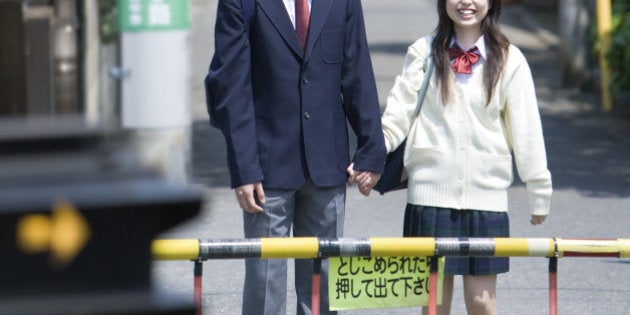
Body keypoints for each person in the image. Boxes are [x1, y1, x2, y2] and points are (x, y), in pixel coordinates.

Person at [363, 0, 553, 314]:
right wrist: (371, 157)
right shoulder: (423, 52)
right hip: (429, 196)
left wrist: (539, 190)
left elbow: (527, 129)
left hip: (486, 199)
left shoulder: (510, 59)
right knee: (434, 304)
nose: (466, 2)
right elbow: (398, 114)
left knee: (481, 303)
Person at [205, 0, 386, 314]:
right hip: (265, 168)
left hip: (328, 163)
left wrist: (371, 150)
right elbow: (231, 86)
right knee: (265, 285)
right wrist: (244, 168)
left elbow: (357, 70)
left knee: (323, 286)